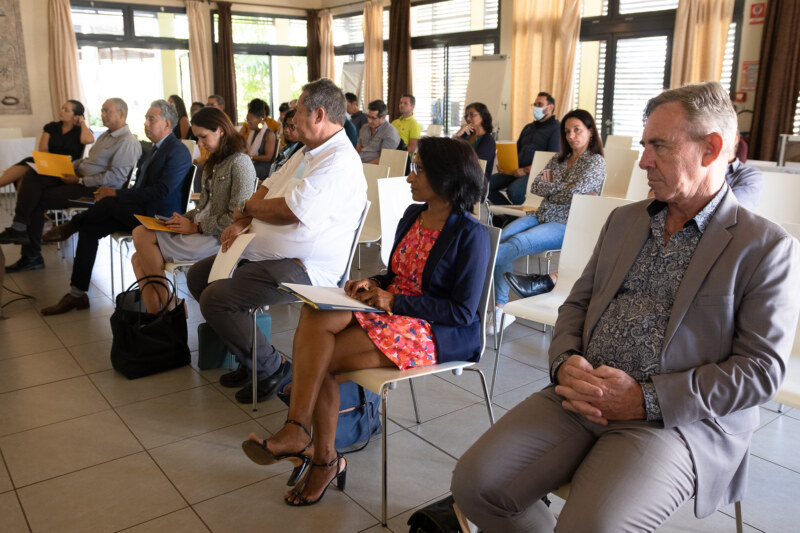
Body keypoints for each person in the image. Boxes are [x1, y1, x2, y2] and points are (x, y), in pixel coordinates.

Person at [451, 82, 800, 532]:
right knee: (475, 485)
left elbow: (760, 371)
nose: (642, 160)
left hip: (675, 420)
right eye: (643, 144)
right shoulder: (624, 220)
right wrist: (564, 362)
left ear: (711, 148)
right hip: (583, 394)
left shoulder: (765, 247)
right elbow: (575, 303)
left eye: (659, 145)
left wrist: (645, 398)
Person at [240, 136, 489, 507]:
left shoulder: (472, 235)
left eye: (418, 170)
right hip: (392, 309)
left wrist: (395, 300)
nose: (409, 177)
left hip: (432, 330)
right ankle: (301, 435)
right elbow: (398, 272)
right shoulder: (412, 216)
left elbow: (463, 312)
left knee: (322, 361)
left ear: (447, 178)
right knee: (314, 310)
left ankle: (316, 452)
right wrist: (373, 284)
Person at [186, 78, 367, 404]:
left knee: (216, 298)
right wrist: (243, 219)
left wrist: (245, 208)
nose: (292, 118)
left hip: (304, 266)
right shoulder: (307, 152)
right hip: (262, 251)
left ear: (319, 115)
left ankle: (273, 368)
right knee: (199, 277)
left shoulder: (338, 161)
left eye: (298, 111)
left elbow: (289, 212)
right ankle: (250, 357)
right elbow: (268, 187)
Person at [504, 137, 767, 300]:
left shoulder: (748, 176)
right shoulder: (685, 173)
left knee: (624, 237)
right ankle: (559, 280)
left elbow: (723, 214)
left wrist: (674, 198)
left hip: (708, 247)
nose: (646, 161)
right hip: (668, 230)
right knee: (619, 229)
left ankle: (553, 279)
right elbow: (654, 197)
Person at [37, 100, 192, 315]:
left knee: (108, 201)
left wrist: (117, 194)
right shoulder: (154, 149)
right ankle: (77, 294)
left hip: (158, 215)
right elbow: (139, 187)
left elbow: (161, 191)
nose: (145, 123)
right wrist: (120, 196)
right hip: (140, 210)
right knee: (90, 227)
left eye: (151, 119)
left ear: (167, 124)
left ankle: (70, 226)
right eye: (146, 118)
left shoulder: (178, 151)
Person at [129, 107, 257, 313]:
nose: (200, 143)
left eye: (203, 136)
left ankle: (170, 308)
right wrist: (181, 219)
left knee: (140, 235)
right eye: (197, 138)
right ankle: (161, 317)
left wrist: (196, 226)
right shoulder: (213, 163)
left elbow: (238, 218)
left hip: (218, 238)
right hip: (200, 231)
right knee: (138, 257)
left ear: (221, 130)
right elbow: (202, 207)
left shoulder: (240, 163)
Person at [491, 109, 605, 334]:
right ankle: (499, 309)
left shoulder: (596, 162)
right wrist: (564, 189)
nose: (571, 135)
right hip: (540, 215)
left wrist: (551, 187)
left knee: (510, 247)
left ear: (590, 132)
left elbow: (577, 195)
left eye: (577, 130)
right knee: (499, 240)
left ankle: (496, 303)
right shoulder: (558, 158)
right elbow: (535, 187)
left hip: (566, 223)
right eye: (568, 131)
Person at [0, 98, 141, 273]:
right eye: (102, 110)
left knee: (37, 198)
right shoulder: (106, 135)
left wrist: (80, 180)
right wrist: (68, 166)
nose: (102, 115)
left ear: (122, 113)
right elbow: (88, 161)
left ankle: (29, 252)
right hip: (78, 177)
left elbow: (116, 179)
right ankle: (21, 231)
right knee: (33, 173)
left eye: (107, 111)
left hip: (93, 189)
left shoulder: (127, 142)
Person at [0, 100, 94, 190]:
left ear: (76, 116)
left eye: (66, 110)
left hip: (67, 166)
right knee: (28, 165)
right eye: (62, 108)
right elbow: (43, 149)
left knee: (27, 175)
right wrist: (50, 164)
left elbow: (89, 140)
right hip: (48, 162)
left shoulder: (82, 131)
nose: (61, 111)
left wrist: (82, 122)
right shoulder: (51, 127)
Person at [487, 92, 561, 206]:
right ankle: (511, 218)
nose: (536, 107)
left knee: (514, 191)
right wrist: (506, 166)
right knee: (486, 186)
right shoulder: (528, 127)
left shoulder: (556, 128)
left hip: (536, 174)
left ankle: (527, 218)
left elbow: (552, 159)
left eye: (540, 104)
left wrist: (526, 170)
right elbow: (516, 151)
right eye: (535, 104)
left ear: (550, 107)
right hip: (516, 171)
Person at [454, 102, 496, 188]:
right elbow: (449, 150)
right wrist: (458, 134)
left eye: (472, 115)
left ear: (483, 116)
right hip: (459, 175)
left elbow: (475, 164)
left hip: (475, 182)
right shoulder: (467, 134)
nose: (468, 118)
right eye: (466, 116)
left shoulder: (487, 140)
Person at [239, 98, 278, 180]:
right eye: (247, 121)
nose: (248, 123)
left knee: (242, 173)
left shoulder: (269, 134)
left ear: (260, 119)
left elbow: (268, 157)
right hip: (252, 163)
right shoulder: (253, 132)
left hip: (262, 166)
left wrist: (251, 157)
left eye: (250, 121)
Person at [356, 99, 400, 164]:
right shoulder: (365, 128)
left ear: (383, 117)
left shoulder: (390, 132)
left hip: (376, 169)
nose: (369, 121)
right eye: (368, 117)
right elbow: (357, 150)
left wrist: (363, 166)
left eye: (373, 118)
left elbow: (384, 159)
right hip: (359, 164)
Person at [270, 109, 304, 175]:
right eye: (285, 125)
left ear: (301, 128)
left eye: (292, 127)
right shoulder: (285, 149)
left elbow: (297, 178)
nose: (286, 130)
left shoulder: (303, 153)